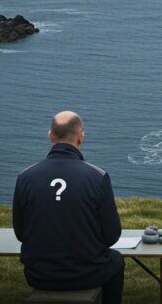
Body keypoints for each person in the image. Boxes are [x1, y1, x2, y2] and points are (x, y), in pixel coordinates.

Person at [13, 111, 124, 304]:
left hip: (38, 274)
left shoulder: (25, 177)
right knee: (116, 260)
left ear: (50, 136)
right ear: (81, 137)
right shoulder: (97, 177)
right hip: (88, 273)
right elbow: (111, 236)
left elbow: (21, 233)